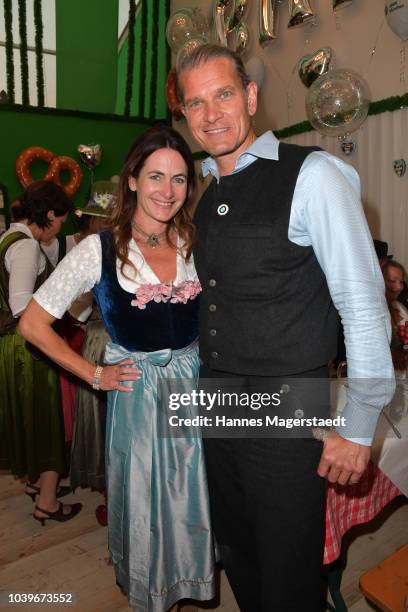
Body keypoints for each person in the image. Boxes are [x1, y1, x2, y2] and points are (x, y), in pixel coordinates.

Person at [176, 44, 395, 611]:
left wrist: (360, 418)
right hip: (219, 400)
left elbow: (363, 300)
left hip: (289, 401)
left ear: (250, 96)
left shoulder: (314, 174)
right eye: (195, 104)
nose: (211, 114)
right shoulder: (205, 192)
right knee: (241, 553)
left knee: (288, 572)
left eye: (223, 94)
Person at [19, 125, 215, 612]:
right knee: (148, 504)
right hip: (140, 395)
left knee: (194, 497)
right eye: (155, 177)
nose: (167, 191)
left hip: (193, 390)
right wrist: (95, 375)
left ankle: (187, 585)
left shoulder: (197, 244)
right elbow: (33, 323)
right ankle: (150, 594)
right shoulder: (99, 250)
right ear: (131, 180)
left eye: (178, 179)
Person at [0, 180, 82, 524]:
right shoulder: (28, 247)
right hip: (30, 346)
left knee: (32, 418)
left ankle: (35, 483)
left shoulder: (8, 238)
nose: (61, 227)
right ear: (48, 214)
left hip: (13, 345)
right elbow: (22, 306)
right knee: (49, 419)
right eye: (60, 220)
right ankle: (48, 502)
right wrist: (62, 303)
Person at [381, 259, 408, 372]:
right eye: (392, 281)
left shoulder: (399, 307)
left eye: (401, 281)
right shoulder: (375, 311)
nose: (399, 287)